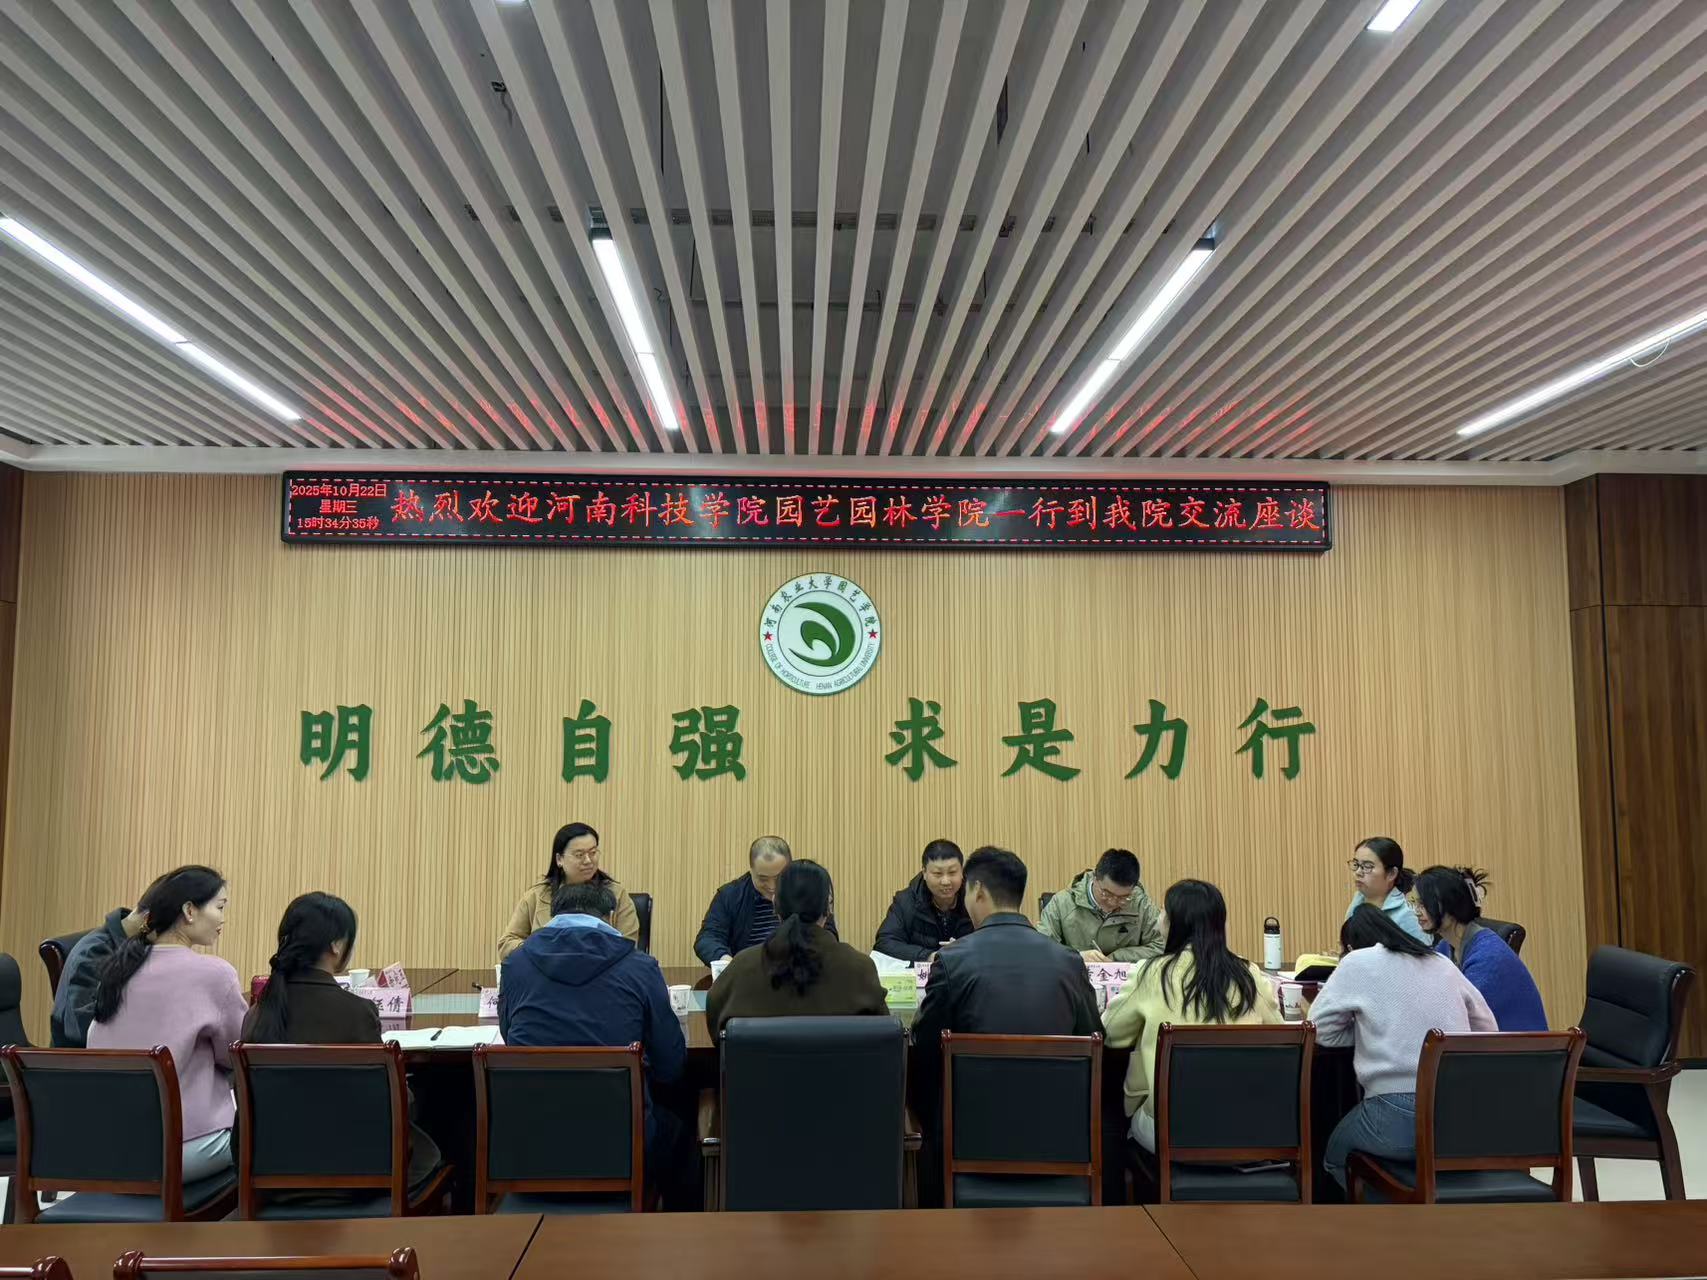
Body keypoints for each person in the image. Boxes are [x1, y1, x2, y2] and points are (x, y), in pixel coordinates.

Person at [241, 892, 443, 1198]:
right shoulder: (356, 1012)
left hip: (272, 1172)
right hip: (356, 1172)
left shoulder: (258, 1014)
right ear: (336, 945)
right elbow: (388, 1102)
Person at [499, 879, 688, 1200]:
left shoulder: (515, 966)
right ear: (611, 917)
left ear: (552, 917)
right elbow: (670, 1065)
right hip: (621, 1148)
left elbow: (509, 1037)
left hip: (529, 1149)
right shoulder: (640, 968)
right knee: (683, 1124)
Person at [1308, 904, 1497, 1188]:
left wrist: (1367, 1033)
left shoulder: (1357, 961)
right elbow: (1487, 1028)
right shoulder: (1441, 962)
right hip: (1461, 1118)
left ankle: (1383, 1212)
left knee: (1333, 1157)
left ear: (1349, 946)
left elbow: (1317, 1029)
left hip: (1392, 1117)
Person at [88, 866, 246, 1180]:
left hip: (111, 1150)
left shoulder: (117, 970)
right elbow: (238, 1056)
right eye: (219, 907)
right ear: (189, 910)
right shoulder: (215, 974)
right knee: (267, 1134)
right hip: (180, 1150)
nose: (223, 918)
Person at [1102, 880, 1282, 1152]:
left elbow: (1111, 1034)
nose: (1158, 922)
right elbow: (1280, 1036)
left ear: (1174, 924)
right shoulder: (1249, 975)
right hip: (1248, 1129)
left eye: (1162, 913)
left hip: (1170, 1130)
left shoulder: (1151, 973)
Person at [706, 860, 887, 1036]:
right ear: (828, 906)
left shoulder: (742, 967)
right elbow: (882, 1036)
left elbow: (717, 1028)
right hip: (840, 1058)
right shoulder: (860, 968)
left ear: (775, 904)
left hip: (762, 1058)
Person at [1412, 866, 1546, 1031]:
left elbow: (1457, 1016)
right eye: (1415, 904)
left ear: (1450, 903)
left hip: (1521, 1046)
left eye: (1424, 904)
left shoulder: (1489, 957)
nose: (1417, 912)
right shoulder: (1446, 946)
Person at [499, 822, 639, 960]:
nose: (588, 860)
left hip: (602, 971)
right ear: (559, 859)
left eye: (593, 852)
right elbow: (507, 943)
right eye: (579, 855)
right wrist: (538, 949)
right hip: (547, 970)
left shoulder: (617, 895)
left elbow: (627, 946)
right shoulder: (537, 896)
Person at [694, 836, 838, 964]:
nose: (772, 886)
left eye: (778, 877)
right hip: (746, 972)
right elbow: (708, 938)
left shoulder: (807, 891)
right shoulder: (730, 895)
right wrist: (727, 961)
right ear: (751, 870)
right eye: (763, 879)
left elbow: (828, 934)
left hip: (796, 971)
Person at [50, 881, 159, 1047]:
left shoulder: (140, 944)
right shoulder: (93, 952)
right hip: (83, 1058)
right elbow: (82, 1027)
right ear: (148, 919)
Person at [1037, 848, 1164, 961]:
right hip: (1075, 977)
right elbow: (1041, 949)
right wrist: (1076, 956)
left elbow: (1162, 946)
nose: (1112, 902)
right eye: (1106, 893)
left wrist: (1118, 957)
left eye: (1123, 897)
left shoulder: (1141, 904)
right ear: (1094, 878)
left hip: (1127, 979)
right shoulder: (1062, 903)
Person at [874, 839, 973, 962]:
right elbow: (884, 943)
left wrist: (964, 949)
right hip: (922, 972)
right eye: (938, 874)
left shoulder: (976, 899)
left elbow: (991, 939)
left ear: (962, 871)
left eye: (952, 873)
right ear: (924, 873)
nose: (945, 881)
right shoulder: (906, 901)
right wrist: (929, 956)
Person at [1344, 836, 1429, 943]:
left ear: (1391, 874)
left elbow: (1422, 953)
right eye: (1356, 865)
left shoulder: (1408, 914)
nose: (1358, 872)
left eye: (1367, 866)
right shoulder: (1358, 900)